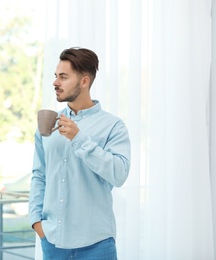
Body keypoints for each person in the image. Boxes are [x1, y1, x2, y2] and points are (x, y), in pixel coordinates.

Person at [29, 47, 131, 260]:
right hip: (52, 241)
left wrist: (79, 139)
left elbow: (119, 174)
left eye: (63, 77)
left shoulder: (113, 126)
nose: (56, 83)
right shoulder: (48, 124)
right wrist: (37, 222)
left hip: (97, 244)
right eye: (56, 76)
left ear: (84, 81)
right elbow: (39, 175)